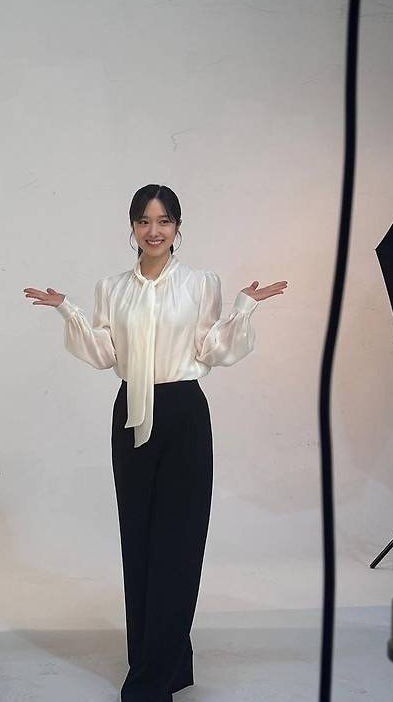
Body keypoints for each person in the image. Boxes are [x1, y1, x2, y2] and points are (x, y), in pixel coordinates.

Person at [23, 184, 288, 701]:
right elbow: (105, 352)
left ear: (177, 228)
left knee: (179, 545)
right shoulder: (111, 288)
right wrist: (67, 310)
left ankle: (149, 682)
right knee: (139, 542)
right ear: (132, 227)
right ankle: (163, 661)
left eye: (164, 220)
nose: (153, 230)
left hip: (184, 413)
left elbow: (210, 347)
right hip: (131, 414)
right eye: (144, 221)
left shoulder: (200, 284)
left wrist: (243, 308)